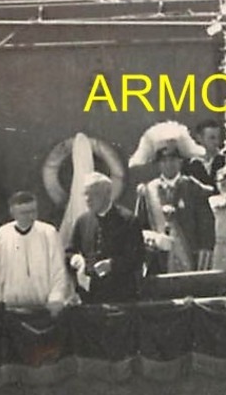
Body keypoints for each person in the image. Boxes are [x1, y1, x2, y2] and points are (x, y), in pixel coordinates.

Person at [0, 192, 74, 314]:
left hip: (43, 310)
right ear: (13, 213)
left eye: (33, 211)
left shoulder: (48, 233)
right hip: (11, 311)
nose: (31, 217)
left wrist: (56, 299)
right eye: (24, 213)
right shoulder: (3, 234)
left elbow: (58, 270)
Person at [133, 129, 215, 276]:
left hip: (191, 259)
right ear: (158, 164)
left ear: (180, 161)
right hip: (158, 262)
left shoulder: (193, 188)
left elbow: (206, 224)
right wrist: (154, 240)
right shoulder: (147, 191)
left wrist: (205, 253)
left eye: (172, 160)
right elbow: (138, 228)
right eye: (164, 161)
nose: (168, 164)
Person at [66, 172, 146, 304]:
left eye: (94, 194)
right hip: (90, 297)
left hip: (121, 296)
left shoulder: (128, 220)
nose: (88, 199)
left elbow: (138, 257)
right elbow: (69, 252)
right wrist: (75, 259)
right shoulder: (83, 221)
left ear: (108, 193)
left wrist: (112, 265)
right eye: (86, 194)